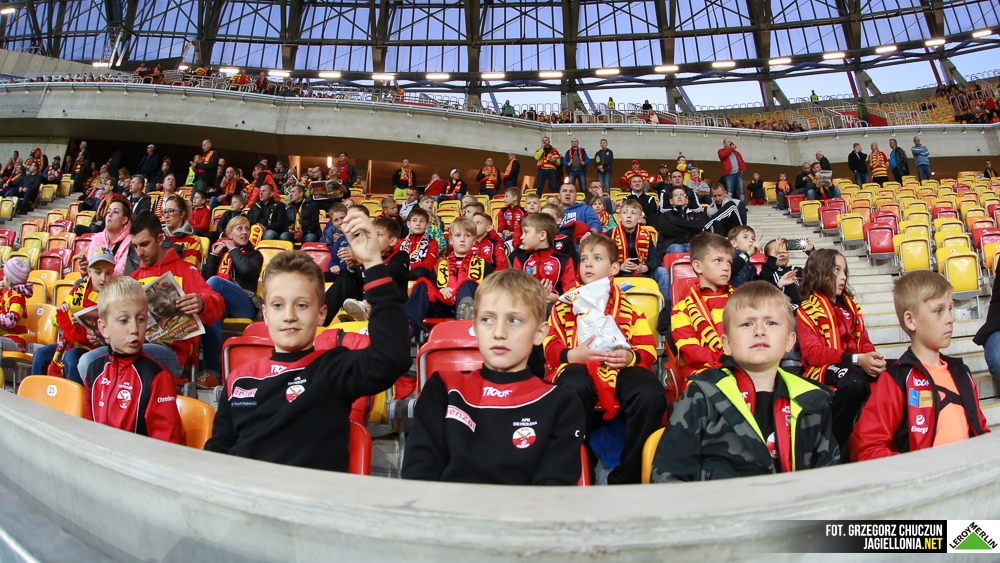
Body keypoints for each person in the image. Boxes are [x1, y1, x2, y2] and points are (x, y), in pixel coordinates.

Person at [204, 238, 412, 471]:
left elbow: (392, 356)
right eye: (278, 305)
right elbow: (217, 454)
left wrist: (373, 262)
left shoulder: (334, 368)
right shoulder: (238, 379)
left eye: (301, 305)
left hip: (308, 492)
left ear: (321, 314)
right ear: (265, 314)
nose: (289, 316)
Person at [402, 269, 586, 484]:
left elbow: (552, 491)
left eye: (514, 320)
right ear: (475, 327)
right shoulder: (443, 388)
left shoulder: (561, 403)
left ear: (539, 333)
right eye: (487, 319)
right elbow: (420, 477)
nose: (499, 333)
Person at [651, 281, 839, 482]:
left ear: (789, 341)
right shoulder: (703, 394)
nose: (759, 331)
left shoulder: (812, 400)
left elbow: (830, 482)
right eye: (747, 324)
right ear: (727, 344)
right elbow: (668, 477)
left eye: (771, 323)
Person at [544, 235, 664, 484]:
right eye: (584, 259)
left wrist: (630, 356)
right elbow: (550, 344)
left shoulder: (630, 308)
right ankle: (582, 465)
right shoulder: (564, 305)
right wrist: (570, 355)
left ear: (614, 268)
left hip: (621, 368)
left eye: (597, 258)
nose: (588, 264)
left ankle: (630, 474)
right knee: (573, 386)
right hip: (578, 365)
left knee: (650, 393)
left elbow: (648, 348)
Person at [850, 271, 990, 461]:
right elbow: (866, 445)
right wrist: (912, 469)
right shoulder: (896, 379)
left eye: (950, 308)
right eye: (939, 310)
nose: (950, 318)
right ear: (910, 320)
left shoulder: (961, 372)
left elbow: (981, 429)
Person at [796, 248, 882, 461]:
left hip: (855, 363)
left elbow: (863, 341)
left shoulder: (851, 307)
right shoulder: (806, 310)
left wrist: (872, 358)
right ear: (821, 272)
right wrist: (856, 359)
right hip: (822, 369)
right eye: (836, 270)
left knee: (898, 372)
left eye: (844, 271)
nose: (843, 277)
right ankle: (836, 448)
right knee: (854, 380)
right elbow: (813, 354)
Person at [83, 276, 184, 444]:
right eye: (124, 320)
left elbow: (168, 444)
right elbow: (90, 429)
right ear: (103, 328)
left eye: (141, 319)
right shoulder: (94, 370)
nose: (134, 329)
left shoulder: (157, 377)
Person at [34, 247, 114, 383]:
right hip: (70, 343)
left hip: (96, 349)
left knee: (71, 356)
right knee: (40, 354)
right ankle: (37, 393)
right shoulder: (78, 291)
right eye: (98, 272)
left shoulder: (114, 296)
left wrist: (101, 339)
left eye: (108, 273)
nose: (103, 278)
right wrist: (62, 313)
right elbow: (54, 319)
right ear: (89, 272)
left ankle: (74, 395)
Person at [201, 216, 263, 385]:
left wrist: (233, 250)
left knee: (215, 283)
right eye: (240, 229)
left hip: (246, 304)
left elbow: (246, 270)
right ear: (229, 234)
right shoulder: (221, 255)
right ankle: (212, 372)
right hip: (221, 303)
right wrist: (214, 256)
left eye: (247, 229)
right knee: (211, 314)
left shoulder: (255, 255)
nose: (245, 232)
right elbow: (203, 281)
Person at [405, 217, 490, 332]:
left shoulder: (484, 265)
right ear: (451, 240)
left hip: (472, 308)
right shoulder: (440, 266)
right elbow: (432, 290)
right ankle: (408, 326)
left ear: (474, 240)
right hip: (442, 308)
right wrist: (441, 290)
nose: (462, 240)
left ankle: (464, 324)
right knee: (422, 285)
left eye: (467, 236)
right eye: (458, 235)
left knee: (469, 284)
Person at [671, 232, 733, 378]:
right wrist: (725, 360)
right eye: (718, 260)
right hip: (704, 373)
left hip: (745, 367)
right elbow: (690, 351)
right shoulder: (682, 308)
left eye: (729, 262)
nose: (726, 267)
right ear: (698, 266)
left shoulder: (743, 300)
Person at [509, 213, 577, 304]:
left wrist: (557, 298)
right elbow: (516, 291)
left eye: (526, 232)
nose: (521, 237)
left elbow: (571, 295)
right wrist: (537, 295)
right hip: (528, 306)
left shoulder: (564, 260)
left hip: (555, 308)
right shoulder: (520, 259)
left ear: (542, 235)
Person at [84, 196, 133, 276]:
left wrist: (96, 272)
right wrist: (84, 268)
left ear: (124, 220)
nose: (110, 214)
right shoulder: (96, 238)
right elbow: (88, 271)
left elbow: (121, 272)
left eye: (115, 212)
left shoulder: (131, 242)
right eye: (108, 211)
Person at [759, 237, 813, 308]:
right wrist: (772, 258)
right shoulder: (768, 274)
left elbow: (819, 271)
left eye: (785, 251)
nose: (782, 255)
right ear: (767, 259)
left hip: (804, 311)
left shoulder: (797, 272)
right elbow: (765, 279)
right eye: (777, 252)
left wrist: (811, 252)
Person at [0, 258, 33, 352]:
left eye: (4, 276)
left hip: (16, 341)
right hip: (5, 337)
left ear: (9, 281)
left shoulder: (17, 298)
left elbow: (11, 321)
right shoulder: (7, 294)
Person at [162, 196, 203, 270]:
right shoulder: (159, 238)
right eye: (165, 212)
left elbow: (189, 271)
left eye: (171, 211)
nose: (166, 216)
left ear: (182, 214)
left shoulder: (193, 241)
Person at [718, 138, 746, 203]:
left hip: (738, 173)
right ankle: (730, 206)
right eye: (728, 142)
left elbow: (742, 161)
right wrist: (731, 149)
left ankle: (742, 206)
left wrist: (742, 169)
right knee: (730, 192)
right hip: (729, 174)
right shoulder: (721, 151)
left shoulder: (737, 153)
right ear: (724, 144)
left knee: (741, 191)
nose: (730, 143)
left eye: (731, 141)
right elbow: (722, 156)